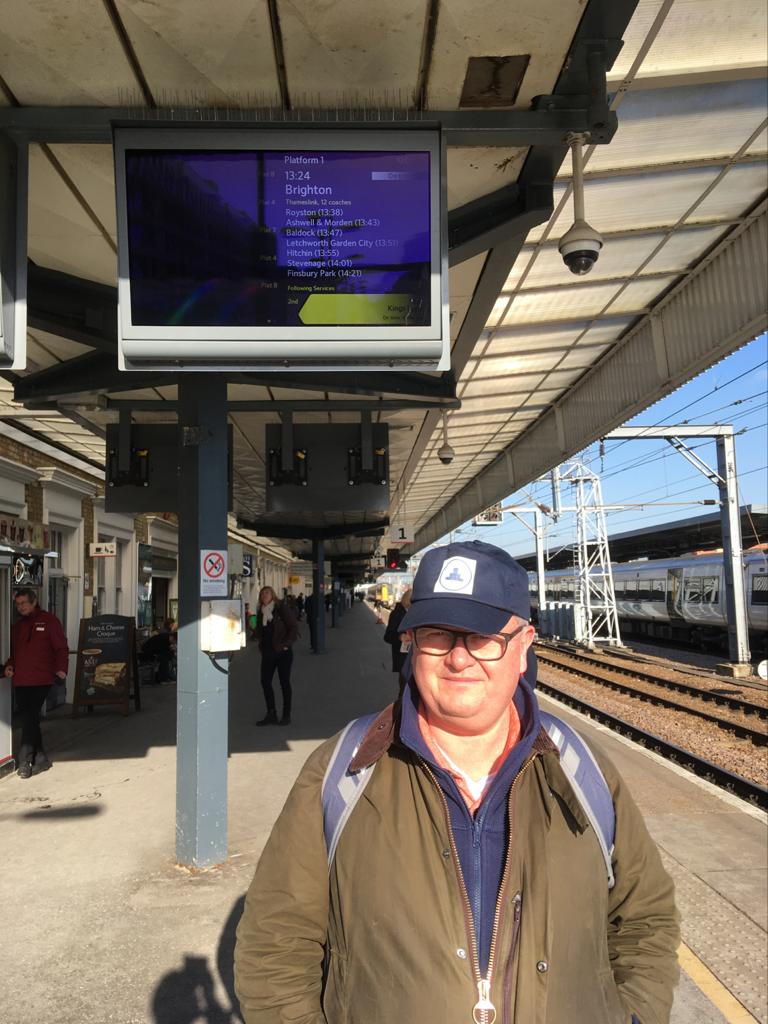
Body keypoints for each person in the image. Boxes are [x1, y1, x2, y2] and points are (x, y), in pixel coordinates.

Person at [234, 540, 680, 1024]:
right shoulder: (342, 771)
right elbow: (274, 943)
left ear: (525, 642)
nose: (459, 658)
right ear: (411, 641)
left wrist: (636, 1016)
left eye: (484, 637)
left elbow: (646, 918)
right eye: (438, 635)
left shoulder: (581, 771)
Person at [3, 588, 69, 779]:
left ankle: (24, 761)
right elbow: (14, 654)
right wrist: (9, 665)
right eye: (18, 604)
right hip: (22, 679)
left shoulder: (49, 621)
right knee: (30, 719)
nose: (20, 607)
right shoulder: (17, 627)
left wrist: (62, 669)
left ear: (34, 602)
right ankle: (41, 759)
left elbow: (61, 647)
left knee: (29, 717)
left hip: (42, 679)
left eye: (24, 602)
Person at [254, 585, 298, 726]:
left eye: (267, 593)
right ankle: (271, 713)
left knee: (284, 683)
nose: (265, 595)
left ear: (272, 595)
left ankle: (286, 715)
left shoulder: (280, 608)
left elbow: (293, 626)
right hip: (268, 653)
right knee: (265, 682)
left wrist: (286, 644)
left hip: (283, 653)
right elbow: (261, 631)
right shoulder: (261, 612)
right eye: (262, 593)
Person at [383, 587, 412, 674]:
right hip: (402, 656)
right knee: (404, 682)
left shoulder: (415, 613)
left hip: (414, 654)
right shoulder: (396, 613)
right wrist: (400, 636)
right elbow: (387, 636)